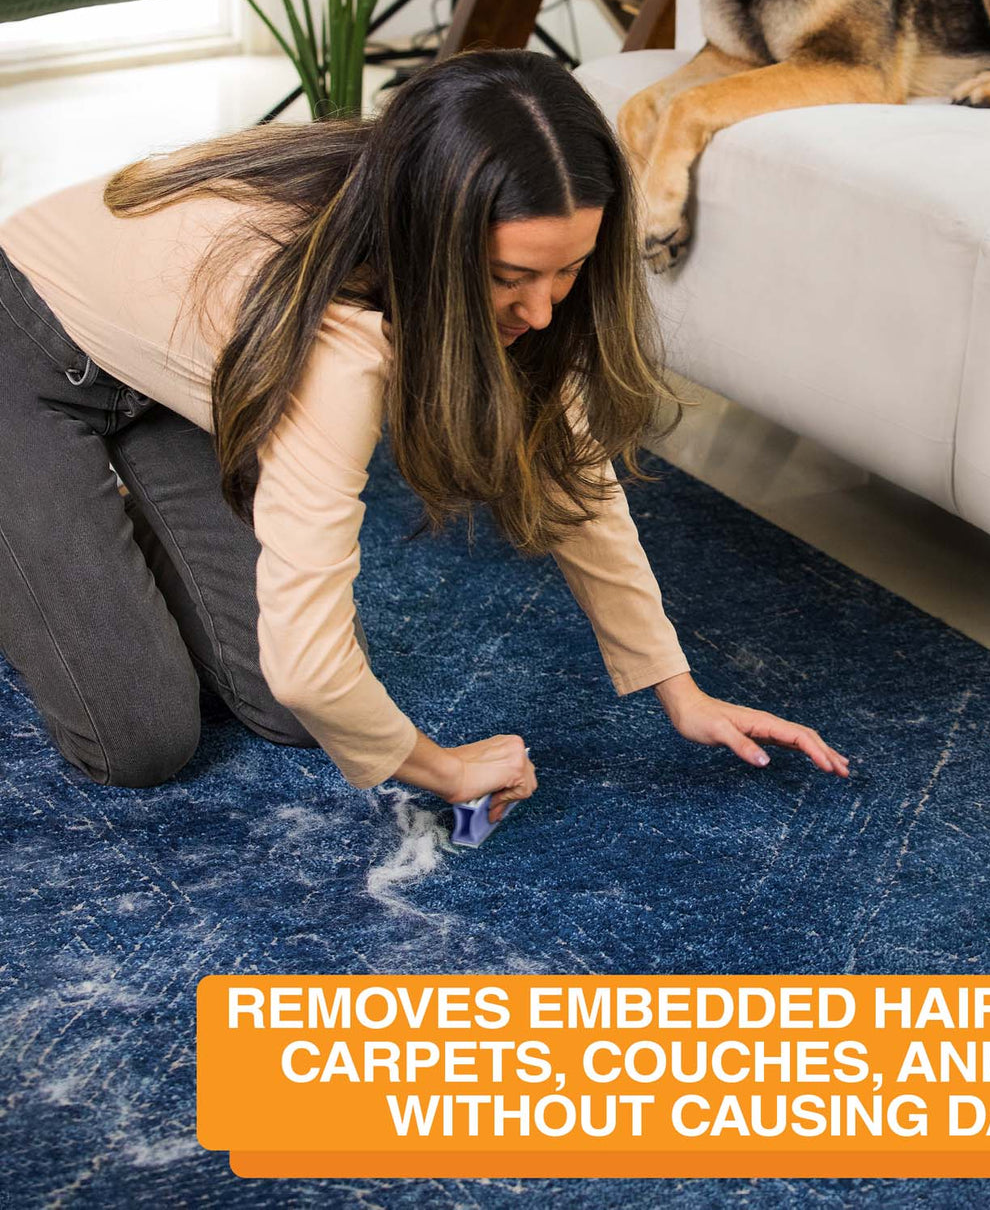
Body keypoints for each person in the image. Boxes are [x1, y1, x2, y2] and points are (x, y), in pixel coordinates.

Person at [0, 48, 848, 824]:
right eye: (511, 278)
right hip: (27, 341)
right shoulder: (332, 347)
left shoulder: (449, 241)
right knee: (140, 740)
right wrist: (444, 769)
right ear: (436, 240)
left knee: (296, 716)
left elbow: (570, 473)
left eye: (570, 269)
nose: (543, 310)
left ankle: (79, 537)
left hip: (182, 381)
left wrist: (678, 688)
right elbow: (311, 667)